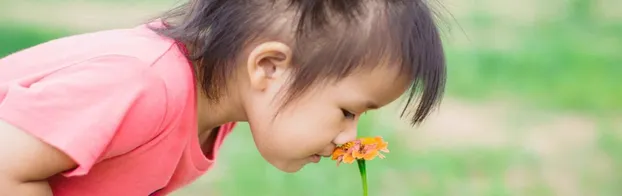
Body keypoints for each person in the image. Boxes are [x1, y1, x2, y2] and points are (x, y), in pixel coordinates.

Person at [0, 0, 446, 195]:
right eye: (348, 112)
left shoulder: (215, 108)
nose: (348, 139)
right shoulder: (144, 83)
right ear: (268, 67)